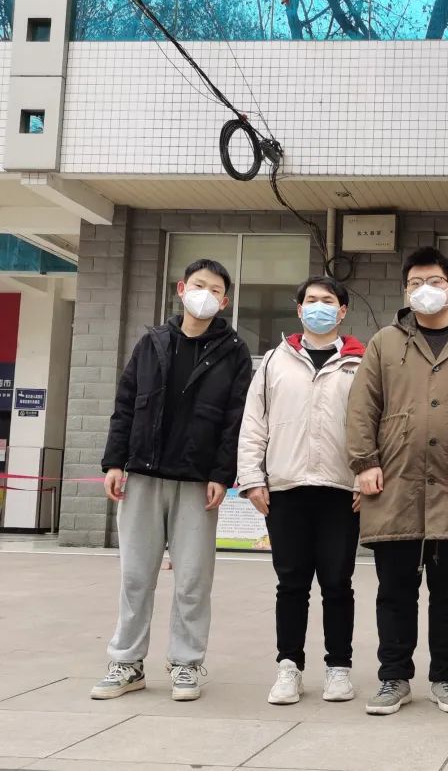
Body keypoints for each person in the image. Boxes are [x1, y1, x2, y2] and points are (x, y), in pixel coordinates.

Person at [347, 246, 448, 716]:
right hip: (395, 483)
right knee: (394, 590)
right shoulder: (385, 343)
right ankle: (393, 677)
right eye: (415, 283)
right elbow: (362, 407)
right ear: (405, 291)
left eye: (433, 282)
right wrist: (364, 462)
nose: (424, 290)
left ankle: (447, 678)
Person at [92, 259, 252, 702]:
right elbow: (126, 403)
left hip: (198, 481)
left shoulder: (234, 351)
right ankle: (126, 662)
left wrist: (222, 473)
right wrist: (115, 461)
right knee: (135, 576)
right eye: (199, 285)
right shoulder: (152, 342)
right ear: (182, 289)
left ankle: (186, 663)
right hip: (142, 475)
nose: (205, 295)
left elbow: (235, 419)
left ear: (225, 301)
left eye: (215, 290)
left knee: (193, 580)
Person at [236, 276, 366, 706]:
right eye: (311, 300)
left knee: (337, 583)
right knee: (291, 584)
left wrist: (365, 477)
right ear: (298, 309)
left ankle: (339, 668)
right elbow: (254, 422)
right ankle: (288, 666)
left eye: (327, 300)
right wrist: (252, 478)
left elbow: (373, 425)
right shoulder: (275, 360)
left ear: (342, 311)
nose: (318, 306)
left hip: (340, 489)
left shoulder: (360, 361)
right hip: (286, 488)